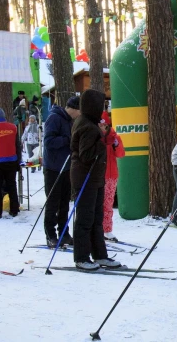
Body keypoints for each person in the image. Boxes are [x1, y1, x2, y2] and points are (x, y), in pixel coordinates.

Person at [71, 89, 120, 270]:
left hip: (95, 178)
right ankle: (82, 257)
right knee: (85, 218)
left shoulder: (90, 123)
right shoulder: (86, 126)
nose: (103, 109)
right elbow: (86, 155)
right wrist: (102, 140)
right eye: (101, 105)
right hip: (86, 177)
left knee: (96, 218)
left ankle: (99, 254)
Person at [43, 97, 80, 247]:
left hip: (66, 166)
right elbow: (48, 142)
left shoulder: (69, 121)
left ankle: (64, 233)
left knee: (65, 202)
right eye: (79, 111)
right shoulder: (54, 118)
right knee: (53, 203)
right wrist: (66, 140)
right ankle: (50, 235)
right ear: (73, 108)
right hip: (53, 167)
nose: (80, 114)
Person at [99, 111, 125, 242]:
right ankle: (97, 230)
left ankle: (107, 230)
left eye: (104, 125)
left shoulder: (114, 136)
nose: (102, 128)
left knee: (108, 204)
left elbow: (120, 154)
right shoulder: (95, 136)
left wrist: (116, 144)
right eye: (100, 125)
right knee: (97, 204)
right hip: (98, 175)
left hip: (111, 175)